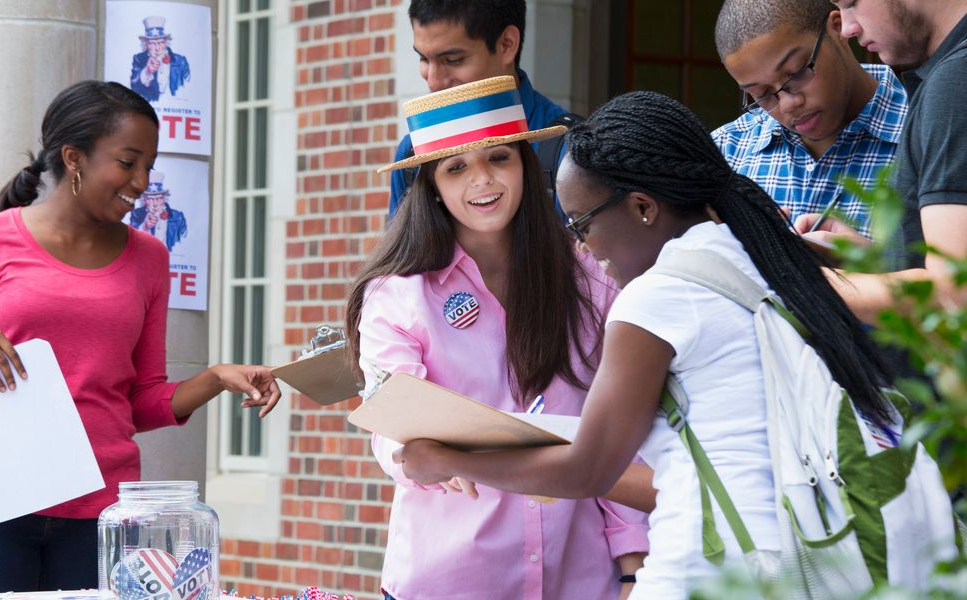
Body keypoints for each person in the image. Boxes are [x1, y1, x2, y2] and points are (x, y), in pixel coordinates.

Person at [394, 91, 899, 597]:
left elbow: (587, 470)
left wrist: (449, 460)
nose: (584, 247)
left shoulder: (659, 297)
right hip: (806, 555)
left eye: (582, 224)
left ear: (641, 208)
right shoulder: (761, 257)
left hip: (713, 568)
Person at [0, 80, 281, 594]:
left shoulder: (150, 258)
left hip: (105, 511)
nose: (142, 181)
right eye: (128, 162)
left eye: (150, 166)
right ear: (74, 158)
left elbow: (140, 401)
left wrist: (217, 377)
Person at [348, 76, 650, 600]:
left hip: (580, 579)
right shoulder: (396, 297)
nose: (482, 180)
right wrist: (417, 454)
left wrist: (632, 568)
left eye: (499, 158)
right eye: (456, 167)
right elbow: (396, 433)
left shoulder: (593, 280)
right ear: (432, 186)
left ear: (527, 167)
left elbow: (624, 437)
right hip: (450, 580)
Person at [807, 0, 967, 323]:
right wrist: (874, 259)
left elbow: (955, 293)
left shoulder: (955, 83)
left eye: (851, 3)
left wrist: (795, 281)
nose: (848, 29)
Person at [713, 0, 907, 237]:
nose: (788, 103)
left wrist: (872, 272)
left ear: (837, 28)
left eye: (797, 73)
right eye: (762, 95)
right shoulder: (725, 154)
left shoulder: (929, 133)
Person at [389, 0, 577, 221]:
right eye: (423, 58)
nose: (433, 80)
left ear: (507, 44)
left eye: (453, 60)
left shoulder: (569, 151)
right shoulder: (412, 155)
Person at [129, 16, 191, 103]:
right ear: (146, 44)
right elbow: (133, 88)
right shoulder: (139, 59)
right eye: (152, 44)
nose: (157, 48)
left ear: (166, 42)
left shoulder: (180, 61)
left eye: (160, 43)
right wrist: (147, 71)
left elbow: (188, 89)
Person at [128, 171, 188, 251]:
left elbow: (184, 242)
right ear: (144, 200)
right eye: (150, 199)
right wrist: (144, 227)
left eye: (158, 198)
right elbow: (129, 242)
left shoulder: (178, 217)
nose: (155, 204)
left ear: (164, 198)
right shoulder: (136, 214)